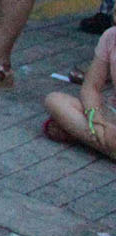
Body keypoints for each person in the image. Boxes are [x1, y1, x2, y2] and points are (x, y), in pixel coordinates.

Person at [43, 24, 116, 159]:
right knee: (54, 100)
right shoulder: (111, 36)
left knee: (111, 136)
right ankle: (102, 142)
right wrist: (95, 118)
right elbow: (91, 87)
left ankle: (79, 135)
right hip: (112, 115)